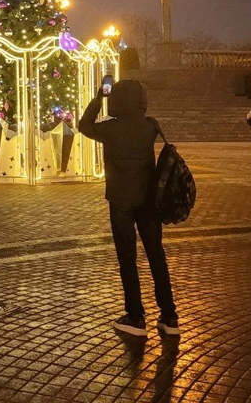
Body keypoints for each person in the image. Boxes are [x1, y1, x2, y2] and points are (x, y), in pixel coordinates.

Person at [78, 79, 180, 338]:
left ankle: (135, 316)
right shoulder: (150, 126)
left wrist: (99, 97)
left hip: (121, 200)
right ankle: (169, 315)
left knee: (128, 259)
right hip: (148, 201)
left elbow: (84, 125)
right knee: (156, 255)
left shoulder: (110, 129)